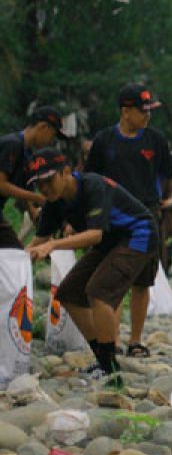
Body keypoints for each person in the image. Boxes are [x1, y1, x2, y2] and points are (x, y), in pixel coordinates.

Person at [25, 148, 158, 379]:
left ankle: (110, 366)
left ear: (66, 171)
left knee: (99, 291)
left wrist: (54, 245)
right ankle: (103, 357)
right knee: (68, 292)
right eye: (39, 184)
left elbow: (94, 235)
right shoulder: (53, 203)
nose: (45, 188)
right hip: (110, 241)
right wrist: (12, 260)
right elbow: (37, 242)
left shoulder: (93, 185)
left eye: (49, 180)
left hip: (138, 234)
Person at [84, 84, 172, 356]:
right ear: (126, 112)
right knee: (112, 279)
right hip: (112, 218)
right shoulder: (104, 141)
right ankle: (111, 339)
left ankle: (136, 340)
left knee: (143, 281)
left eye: (150, 111)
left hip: (147, 216)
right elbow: (89, 180)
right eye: (143, 111)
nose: (148, 117)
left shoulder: (155, 140)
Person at [0, 107, 68, 248]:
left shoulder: (28, 156)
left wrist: (39, 221)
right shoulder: (12, 144)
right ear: (43, 127)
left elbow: (26, 196)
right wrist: (37, 198)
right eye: (52, 135)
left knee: (14, 252)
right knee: (13, 252)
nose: (51, 141)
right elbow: (1, 185)